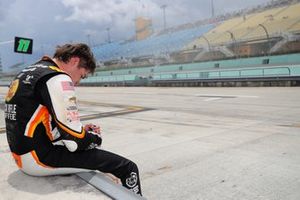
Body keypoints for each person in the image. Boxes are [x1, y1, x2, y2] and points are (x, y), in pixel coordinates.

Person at [4, 43, 142, 195]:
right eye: (82, 75)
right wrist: (94, 138)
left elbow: (35, 120)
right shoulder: (58, 77)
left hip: (21, 154)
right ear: (75, 61)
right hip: (39, 159)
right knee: (128, 168)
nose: (78, 82)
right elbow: (75, 142)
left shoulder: (30, 71)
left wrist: (81, 130)